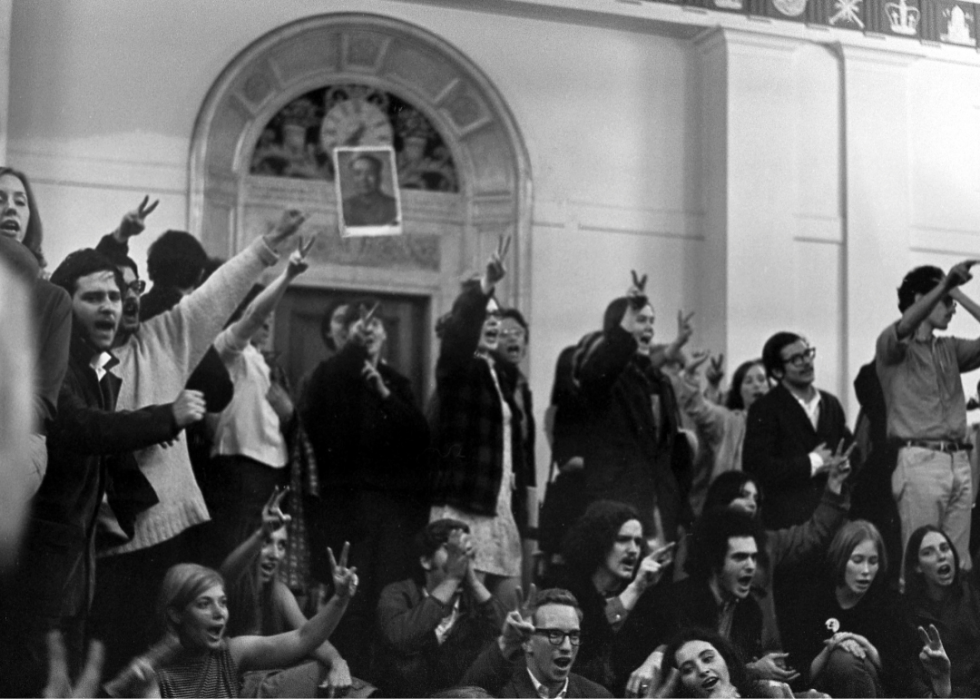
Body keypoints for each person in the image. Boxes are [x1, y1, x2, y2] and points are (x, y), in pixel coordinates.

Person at [87, 205, 306, 677]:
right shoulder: (82, 358)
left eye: (131, 290)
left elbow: (216, 297)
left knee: (161, 661)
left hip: (168, 524)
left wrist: (265, 249)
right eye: (108, 292)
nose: (122, 301)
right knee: (109, 661)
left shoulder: (163, 336)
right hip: (104, 538)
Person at [0, 249, 206, 696]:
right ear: (65, 305)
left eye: (114, 295)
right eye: (93, 297)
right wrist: (163, 418)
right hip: (40, 568)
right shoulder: (57, 369)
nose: (110, 306)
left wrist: (146, 435)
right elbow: (80, 427)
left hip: (77, 564)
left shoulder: (100, 371)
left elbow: (99, 442)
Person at [301, 298, 430, 674]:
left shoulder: (398, 383)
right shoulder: (329, 375)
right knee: (350, 613)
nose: (369, 328)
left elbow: (420, 438)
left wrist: (385, 394)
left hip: (393, 518)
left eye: (375, 324)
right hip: (346, 515)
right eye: (359, 326)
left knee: (387, 608)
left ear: (386, 334)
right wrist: (356, 354)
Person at [429, 236, 534, 602]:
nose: (492, 323)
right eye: (484, 316)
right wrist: (485, 285)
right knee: (456, 622)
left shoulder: (498, 375)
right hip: (465, 509)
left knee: (504, 619)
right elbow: (458, 335)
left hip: (499, 510)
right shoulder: (459, 368)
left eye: (496, 316)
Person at [207, 238, 313, 564]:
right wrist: (288, 275)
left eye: (272, 317)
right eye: (262, 316)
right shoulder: (226, 349)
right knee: (241, 556)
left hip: (272, 472)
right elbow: (253, 315)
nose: (267, 323)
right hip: (240, 470)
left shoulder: (265, 364)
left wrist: (289, 415)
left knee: (266, 563)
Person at [573, 273, 694, 546]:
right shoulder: (607, 376)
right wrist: (628, 319)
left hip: (659, 511)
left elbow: (671, 451)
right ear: (620, 326)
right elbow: (600, 370)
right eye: (641, 320)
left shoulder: (659, 381)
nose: (648, 328)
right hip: (619, 509)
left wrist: (681, 511)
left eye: (651, 321)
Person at [876, 262, 980, 573]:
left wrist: (956, 293)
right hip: (920, 461)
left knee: (958, 565)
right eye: (947, 303)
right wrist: (943, 286)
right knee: (921, 562)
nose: (952, 309)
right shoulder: (891, 345)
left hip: (958, 463)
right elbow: (905, 327)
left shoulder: (948, 348)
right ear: (923, 297)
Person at [151, 547, 356, 698]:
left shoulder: (229, 654)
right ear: (176, 614)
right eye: (204, 604)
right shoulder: (155, 678)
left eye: (222, 602)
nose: (219, 613)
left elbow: (304, 637)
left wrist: (340, 599)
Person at [783, 520, 951, 697]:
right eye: (857, 560)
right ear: (841, 558)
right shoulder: (814, 599)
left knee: (846, 661)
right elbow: (797, 674)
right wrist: (832, 648)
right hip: (821, 689)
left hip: (875, 690)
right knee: (842, 658)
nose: (866, 570)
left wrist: (867, 647)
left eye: (873, 561)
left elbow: (904, 676)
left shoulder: (890, 605)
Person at [218, 489, 358, 698]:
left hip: (269, 684)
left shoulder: (279, 593)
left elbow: (309, 635)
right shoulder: (224, 589)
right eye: (267, 543)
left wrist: (337, 662)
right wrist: (260, 535)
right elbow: (225, 577)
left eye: (281, 545)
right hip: (234, 689)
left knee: (338, 682)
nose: (275, 554)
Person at [616, 509, 767, 695]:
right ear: (715, 561)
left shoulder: (749, 609)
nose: (751, 565)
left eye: (753, 557)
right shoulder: (675, 599)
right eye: (740, 557)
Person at [375, 518, 507, 697]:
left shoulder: (476, 602)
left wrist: (475, 583)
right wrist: (452, 579)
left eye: (466, 551)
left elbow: (508, 640)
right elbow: (400, 638)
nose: (461, 558)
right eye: (451, 550)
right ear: (426, 561)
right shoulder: (397, 593)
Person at [0, 168, 72, 495]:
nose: (11, 208)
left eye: (20, 201)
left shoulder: (53, 299)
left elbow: (42, 401)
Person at [554, 500, 673, 690]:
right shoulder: (570, 588)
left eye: (637, 541)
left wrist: (657, 656)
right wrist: (635, 589)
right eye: (623, 539)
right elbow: (587, 639)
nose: (633, 550)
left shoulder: (644, 587)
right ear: (599, 541)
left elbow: (671, 632)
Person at [743, 332, 852, 530]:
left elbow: (850, 449)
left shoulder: (831, 404)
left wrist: (845, 463)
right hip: (788, 525)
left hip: (833, 517)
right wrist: (812, 462)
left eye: (808, 354)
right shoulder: (765, 408)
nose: (807, 362)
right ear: (777, 371)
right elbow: (757, 468)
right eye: (796, 359)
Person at [460, 587, 614, 698]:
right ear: (528, 642)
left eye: (574, 635)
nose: (567, 647)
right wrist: (506, 643)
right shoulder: (501, 691)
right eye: (554, 634)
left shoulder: (596, 695)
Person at [677, 356, 769, 516]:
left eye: (762, 380)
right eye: (748, 381)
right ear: (739, 392)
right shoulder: (729, 421)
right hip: (731, 512)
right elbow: (699, 408)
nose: (756, 385)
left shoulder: (785, 425)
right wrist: (690, 376)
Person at [902, 525, 980, 697]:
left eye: (945, 548)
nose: (941, 556)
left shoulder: (974, 596)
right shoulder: (907, 612)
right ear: (917, 567)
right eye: (928, 552)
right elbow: (909, 678)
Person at [341, 153, 398, 227]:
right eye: (357, 173)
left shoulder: (393, 206)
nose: (363, 179)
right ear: (352, 178)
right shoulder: (345, 207)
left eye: (370, 173)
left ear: (379, 177)